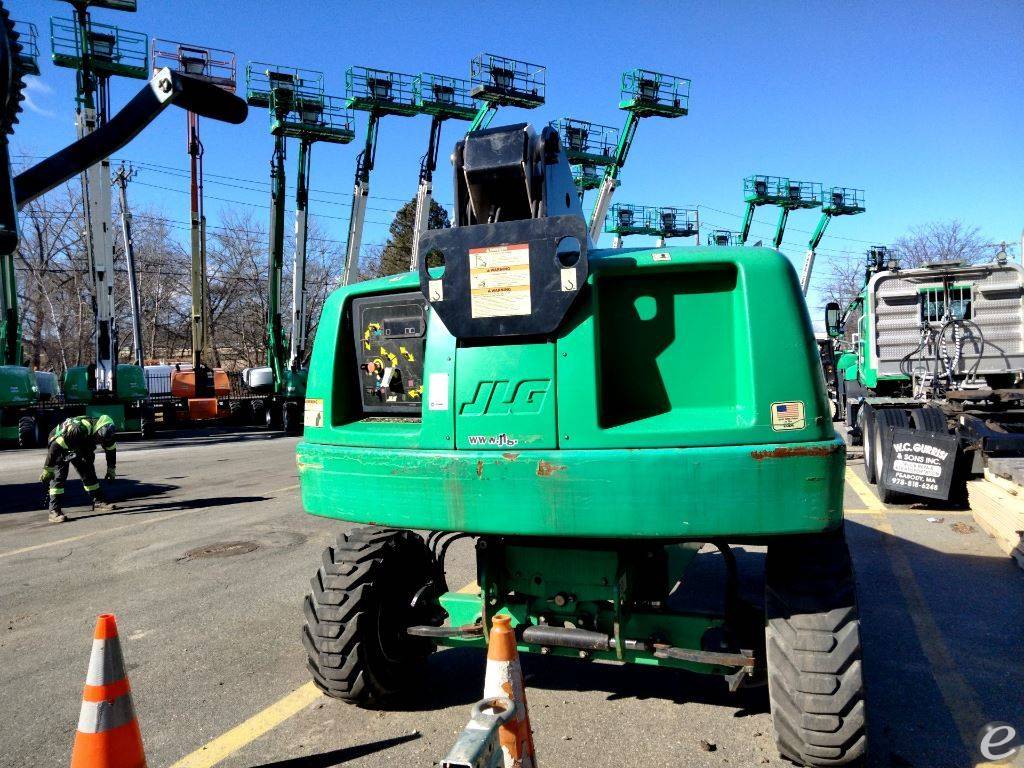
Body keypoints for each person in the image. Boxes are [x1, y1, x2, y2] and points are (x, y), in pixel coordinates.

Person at [39, 414, 118, 523]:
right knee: (59, 476)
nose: (100, 441)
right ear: (97, 429)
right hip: (59, 445)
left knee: (88, 471)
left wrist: (111, 469)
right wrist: (48, 468)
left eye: (102, 439)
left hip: (80, 445)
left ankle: (99, 501)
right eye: (99, 438)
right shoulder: (78, 429)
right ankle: (54, 511)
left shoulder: (108, 433)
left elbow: (111, 450)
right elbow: (55, 446)